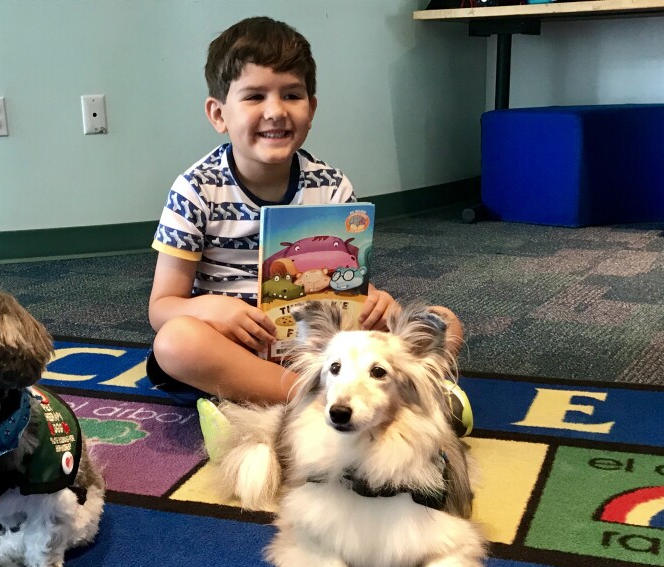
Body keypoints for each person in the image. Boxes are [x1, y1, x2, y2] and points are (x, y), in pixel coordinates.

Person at [146, 16, 470, 453]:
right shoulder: (194, 190)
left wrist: (373, 297)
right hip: (239, 350)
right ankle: (320, 401)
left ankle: (268, 409)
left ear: (311, 109)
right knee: (175, 342)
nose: (276, 110)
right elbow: (162, 307)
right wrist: (212, 309)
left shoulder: (331, 186)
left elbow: (347, 284)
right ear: (219, 114)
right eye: (255, 96)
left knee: (441, 322)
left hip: (323, 346)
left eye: (292, 95)